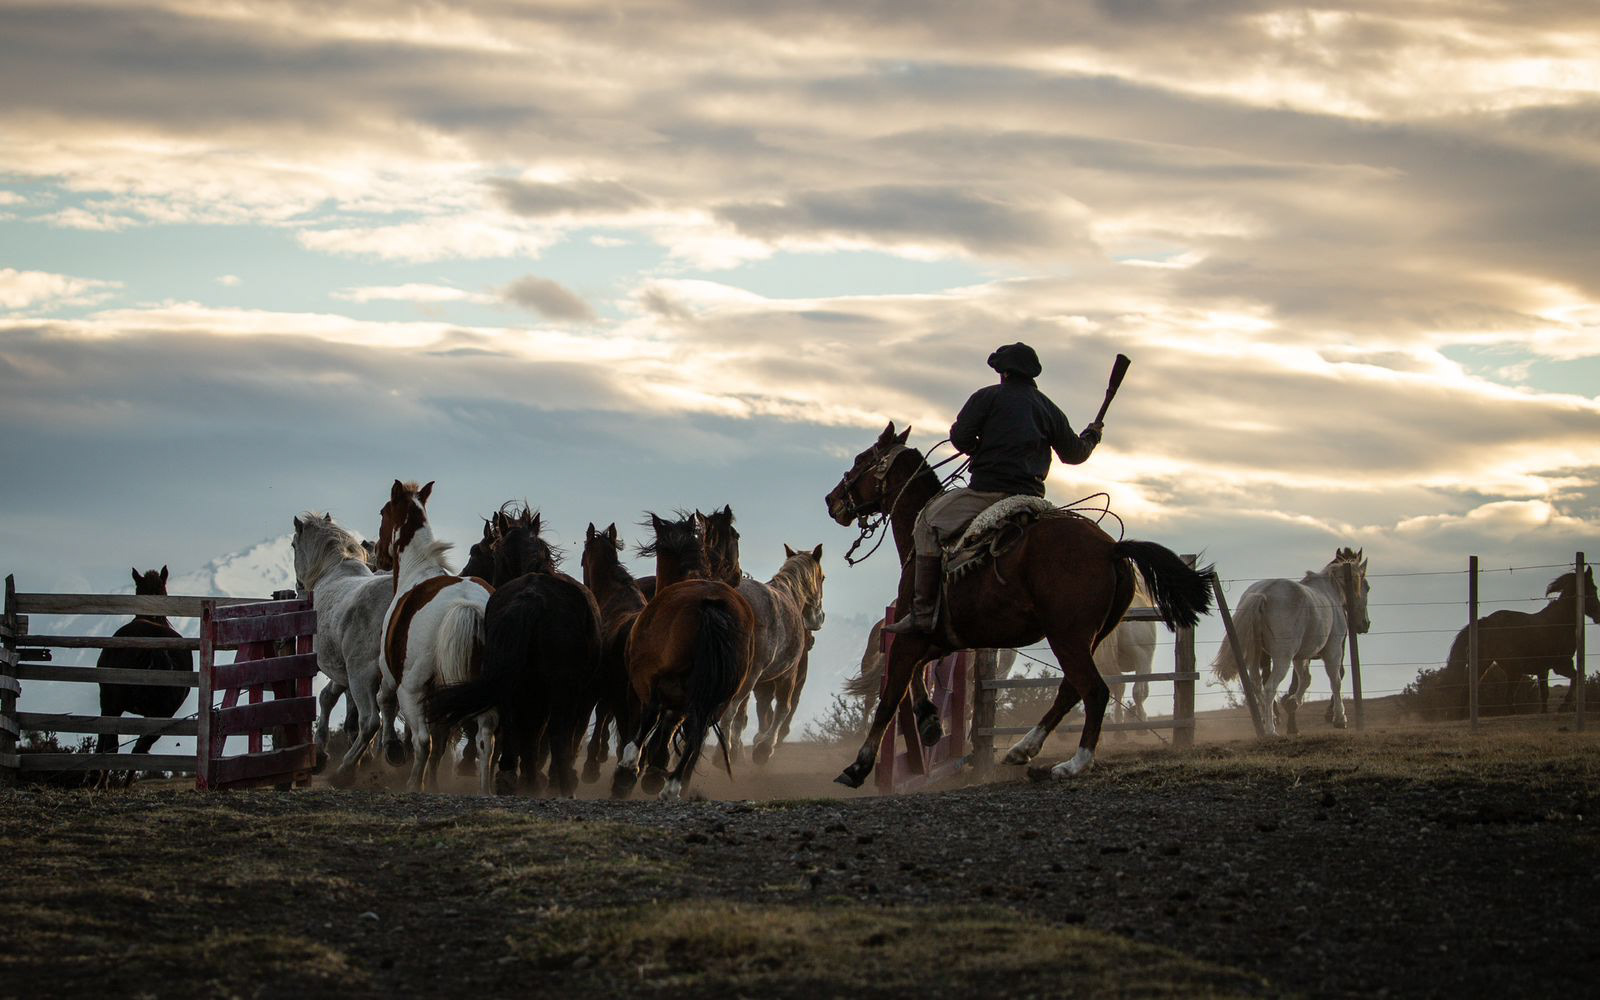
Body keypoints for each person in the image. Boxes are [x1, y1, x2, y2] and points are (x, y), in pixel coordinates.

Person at [883, 342, 1103, 636]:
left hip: (986, 493)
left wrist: (979, 447)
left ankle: (922, 613)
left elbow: (959, 437)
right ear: (1031, 375)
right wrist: (1092, 435)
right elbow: (1074, 454)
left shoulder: (987, 397)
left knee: (926, 523)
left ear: (1003, 372)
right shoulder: (1048, 407)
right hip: (1031, 497)